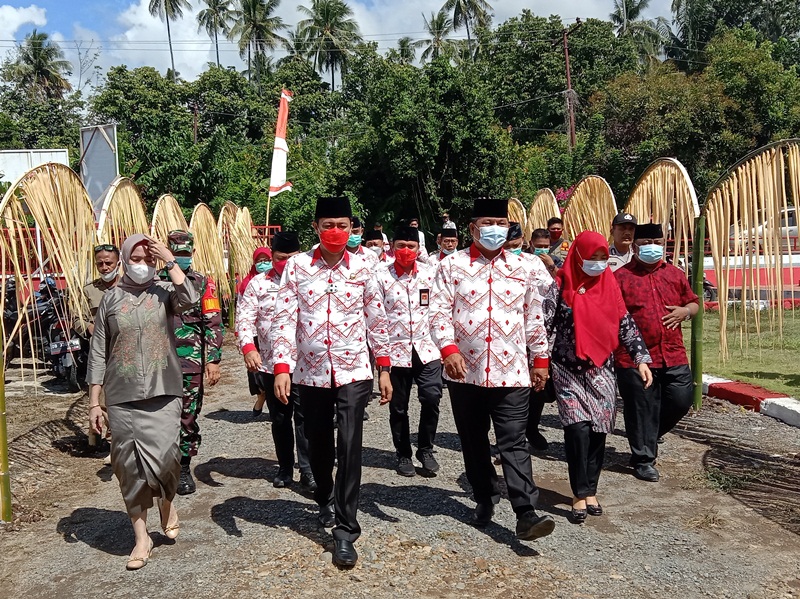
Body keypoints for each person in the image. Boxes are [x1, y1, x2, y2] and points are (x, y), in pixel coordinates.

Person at [270, 196, 393, 568]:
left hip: (354, 369)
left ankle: (345, 529)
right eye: (328, 225)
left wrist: (384, 366)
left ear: (351, 227)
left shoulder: (364, 268)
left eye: (343, 225)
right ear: (316, 228)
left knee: (351, 443)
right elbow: (283, 318)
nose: (336, 232)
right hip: (310, 372)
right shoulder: (296, 268)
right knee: (319, 444)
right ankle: (324, 494)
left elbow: (377, 317)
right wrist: (281, 367)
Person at [430, 196, 556, 541]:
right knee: (472, 440)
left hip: (512, 371)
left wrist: (541, 360)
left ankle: (526, 512)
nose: (496, 230)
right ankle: (484, 496)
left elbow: (534, 318)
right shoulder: (450, 266)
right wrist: (448, 348)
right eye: (488, 223)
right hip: (464, 373)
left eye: (502, 224)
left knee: (513, 441)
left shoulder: (526, 267)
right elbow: (438, 312)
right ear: (473, 228)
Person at [87, 234, 199, 570]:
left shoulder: (164, 292)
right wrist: (95, 403)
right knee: (129, 467)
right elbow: (97, 353)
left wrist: (169, 260)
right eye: (136, 258)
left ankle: (166, 500)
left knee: (167, 460)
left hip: (164, 390)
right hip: (121, 395)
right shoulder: (110, 300)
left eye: (148, 259)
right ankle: (141, 538)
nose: (142, 265)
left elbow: (191, 298)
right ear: (123, 259)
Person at [542, 231, 653, 524]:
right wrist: (538, 362)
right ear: (579, 255)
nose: (599, 263)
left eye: (604, 258)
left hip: (602, 367)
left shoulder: (610, 286)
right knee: (577, 429)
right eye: (593, 257)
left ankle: (591, 489)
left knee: (598, 430)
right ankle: (579, 493)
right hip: (567, 368)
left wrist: (641, 359)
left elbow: (625, 323)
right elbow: (544, 325)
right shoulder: (560, 284)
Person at [614, 223, 699, 483]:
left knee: (681, 400)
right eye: (646, 241)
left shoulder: (675, 274)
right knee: (640, 407)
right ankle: (643, 460)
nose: (652, 245)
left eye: (657, 241)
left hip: (673, 352)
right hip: (634, 357)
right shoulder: (621, 277)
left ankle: (646, 437)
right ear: (635, 246)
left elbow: (693, 302)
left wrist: (686, 312)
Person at [238, 231, 315, 491]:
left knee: (305, 418)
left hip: (305, 364)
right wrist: (249, 347)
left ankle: (307, 469)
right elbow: (245, 318)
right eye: (281, 258)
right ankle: (284, 467)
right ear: (272, 257)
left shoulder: (310, 281)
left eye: (292, 257)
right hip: (271, 363)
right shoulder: (258, 284)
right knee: (281, 418)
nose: (286, 263)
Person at [375, 225, 442, 477]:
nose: (405, 251)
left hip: (427, 348)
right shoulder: (381, 276)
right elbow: (377, 318)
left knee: (431, 397)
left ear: (418, 248)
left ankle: (425, 448)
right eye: (400, 246)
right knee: (399, 407)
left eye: (410, 246)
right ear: (392, 247)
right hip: (395, 351)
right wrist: (381, 360)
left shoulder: (430, 274)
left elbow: (440, 310)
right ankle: (403, 453)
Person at [162, 231, 223, 496]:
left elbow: (212, 321)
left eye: (185, 255)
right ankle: (163, 467)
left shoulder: (202, 283)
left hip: (190, 362)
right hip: (159, 363)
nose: (181, 259)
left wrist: (212, 359)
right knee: (160, 416)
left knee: (187, 415)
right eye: (176, 254)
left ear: (193, 254)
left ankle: (184, 467)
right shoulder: (154, 283)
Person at [238, 246, 272, 417]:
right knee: (255, 372)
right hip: (252, 336)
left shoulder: (276, 280)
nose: (263, 264)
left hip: (271, 335)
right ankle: (261, 396)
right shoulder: (247, 284)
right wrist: (243, 339)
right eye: (260, 261)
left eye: (267, 260)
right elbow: (241, 311)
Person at [75, 244, 121, 338]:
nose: (104, 268)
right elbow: (76, 319)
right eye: (100, 264)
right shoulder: (88, 290)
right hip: (99, 344)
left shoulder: (129, 288)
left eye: (109, 263)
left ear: (118, 264)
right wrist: (89, 327)